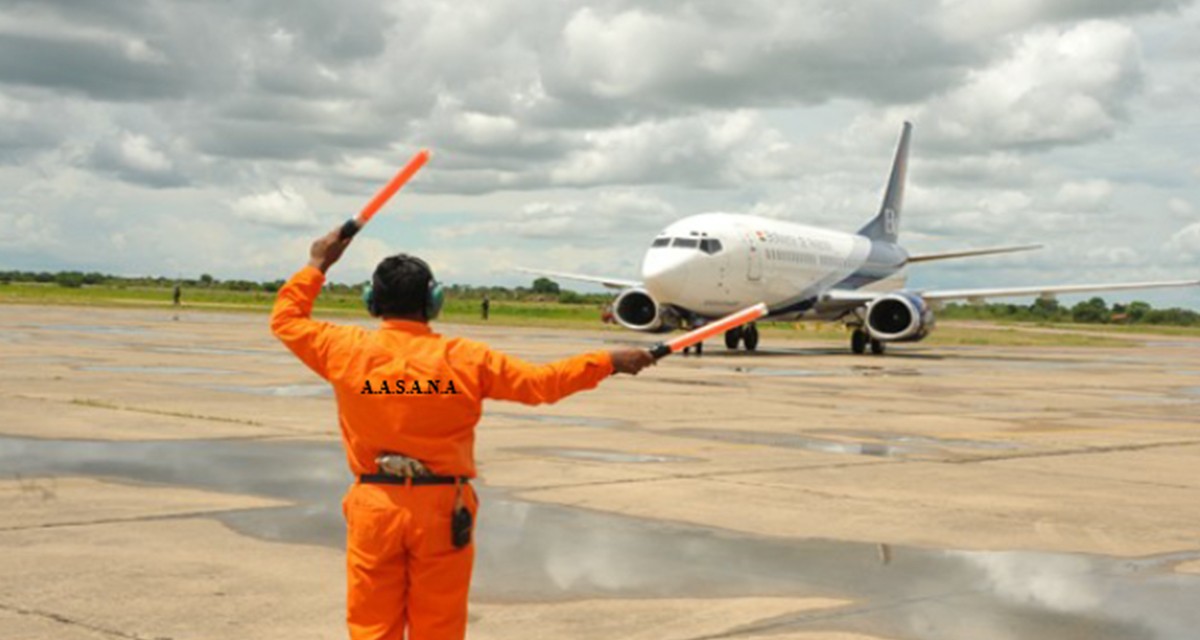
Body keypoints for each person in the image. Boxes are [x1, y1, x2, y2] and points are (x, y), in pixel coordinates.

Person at [270, 225, 656, 640]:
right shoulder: (466, 359)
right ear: (433, 301)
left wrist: (317, 264)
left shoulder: (342, 347)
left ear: (372, 302)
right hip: (441, 505)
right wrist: (607, 361)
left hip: (375, 504)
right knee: (438, 624)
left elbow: (286, 320)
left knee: (371, 623)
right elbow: (541, 384)